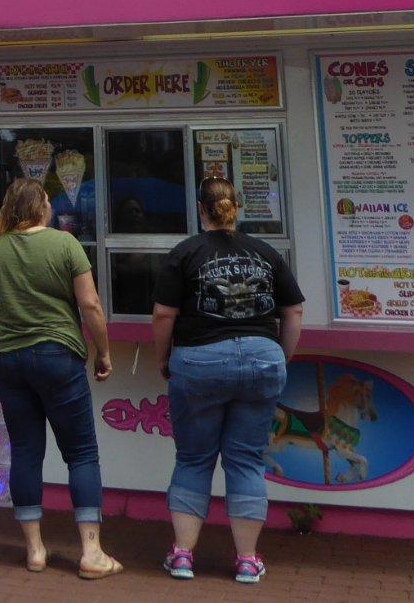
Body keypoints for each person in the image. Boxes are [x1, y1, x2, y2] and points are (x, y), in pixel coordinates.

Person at [151, 178, 305, 586]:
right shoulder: (266, 252)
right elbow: (294, 311)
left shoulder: (184, 253)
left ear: (201, 209)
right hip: (262, 359)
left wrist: (163, 358)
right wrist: (280, 359)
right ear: (237, 206)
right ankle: (248, 560)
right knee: (246, 460)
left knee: (194, 458)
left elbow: (163, 315)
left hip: (198, 361)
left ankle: (183, 556)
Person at [0, 178, 120, 580]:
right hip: (58, 355)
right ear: (40, 207)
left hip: (6, 358)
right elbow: (90, 304)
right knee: (81, 452)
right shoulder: (64, 244)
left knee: (26, 450)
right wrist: (103, 352)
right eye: (47, 200)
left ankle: (35, 550)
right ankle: (91, 552)